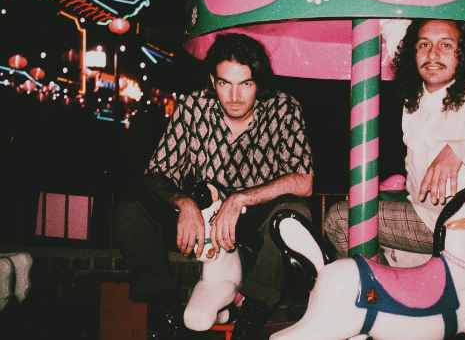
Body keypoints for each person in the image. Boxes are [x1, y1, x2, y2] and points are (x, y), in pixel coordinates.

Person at [111, 33, 314, 340]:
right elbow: (155, 173)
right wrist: (184, 202)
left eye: (245, 83)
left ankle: (251, 317)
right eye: (224, 83)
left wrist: (240, 199)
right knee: (128, 210)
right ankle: (166, 317)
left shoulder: (284, 108)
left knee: (294, 212)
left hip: (256, 217)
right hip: (204, 215)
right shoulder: (194, 107)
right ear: (212, 80)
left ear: (259, 83)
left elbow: (304, 181)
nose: (234, 96)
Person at [325, 19, 465, 260]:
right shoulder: (418, 87)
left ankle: (378, 284)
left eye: (446, 45)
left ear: (464, 51)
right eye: (424, 45)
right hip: (422, 210)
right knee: (365, 201)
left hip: (456, 224)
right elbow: (394, 26)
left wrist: (460, 151)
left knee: (341, 219)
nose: (432, 54)